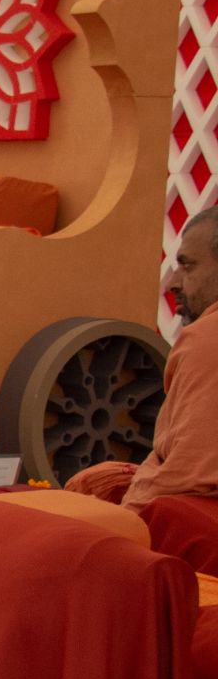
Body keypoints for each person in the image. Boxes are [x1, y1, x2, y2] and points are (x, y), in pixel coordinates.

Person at [69, 207, 218, 508]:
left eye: (187, 266)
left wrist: (125, 519)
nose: (173, 282)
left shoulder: (208, 341)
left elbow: (191, 476)